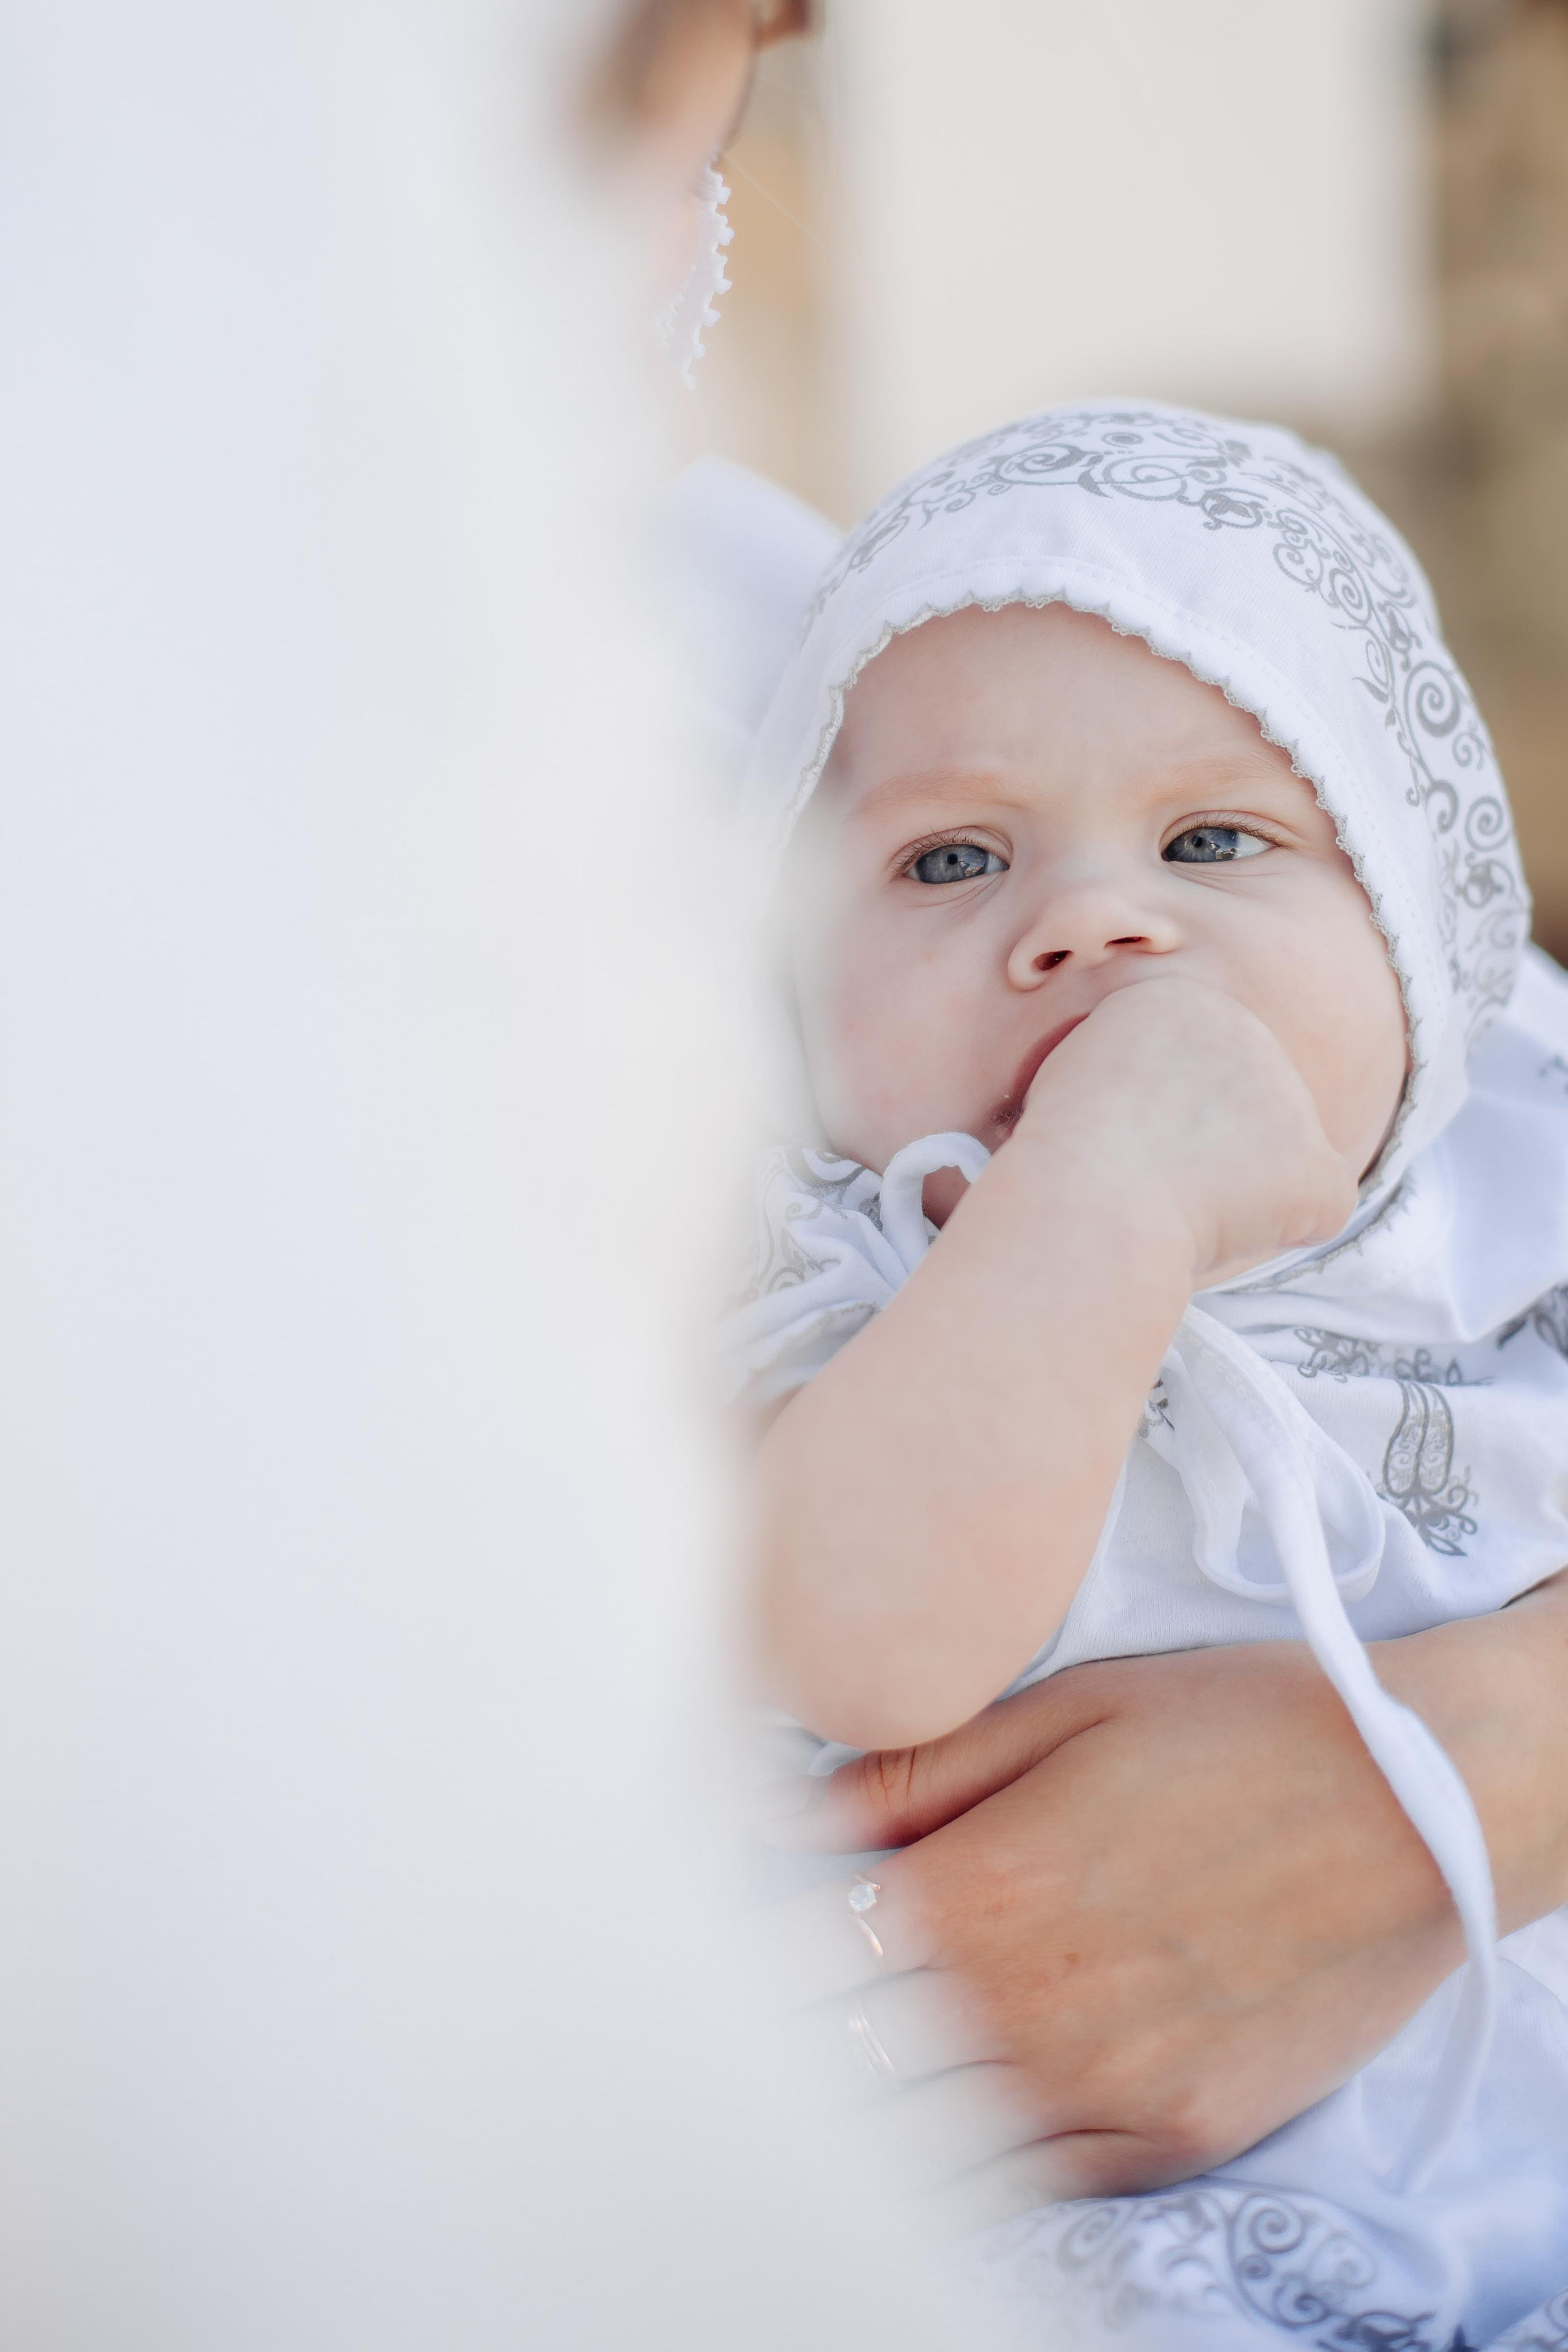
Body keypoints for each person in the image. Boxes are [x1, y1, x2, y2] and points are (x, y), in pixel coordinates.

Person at [729, 399, 1568, 2345]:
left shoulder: (1517, 1221)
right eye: (950, 861)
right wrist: (1107, 1181)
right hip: (1107, 2245)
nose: (1094, 921)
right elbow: (855, 1650)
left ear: (1427, 961)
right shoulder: (848, 1282)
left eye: (1216, 838)